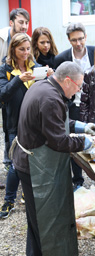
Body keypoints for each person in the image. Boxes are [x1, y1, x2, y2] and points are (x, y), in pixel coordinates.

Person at [12, 61, 95, 256]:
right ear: (68, 81)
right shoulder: (51, 98)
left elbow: (53, 122)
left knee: (36, 214)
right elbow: (59, 142)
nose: (79, 91)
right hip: (35, 165)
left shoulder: (43, 86)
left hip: (26, 160)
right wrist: (85, 142)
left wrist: (80, 126)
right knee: (52, 215)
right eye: (79, 86)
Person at [0, 33, 40, 219]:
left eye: (27, 48)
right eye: (21, 49)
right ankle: (8, 200)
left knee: (34, 160)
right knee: (16, 163)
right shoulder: (5, 70)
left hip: (34, 123)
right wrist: (18, 80)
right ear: (13, 50)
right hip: (15, 124)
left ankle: (28, 193)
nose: (25, 53)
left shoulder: (36, 67)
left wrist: (49, 76)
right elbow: (3, 95)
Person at [54, 23, 95, 190]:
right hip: (73, 106)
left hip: (92, 105)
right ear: (68, 40)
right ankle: (78, 180)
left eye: (81, 39)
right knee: (73, 140)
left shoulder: (94, 52)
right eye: (74, 40)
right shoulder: (61, 58)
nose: (78, 43)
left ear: (86, 36)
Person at [0, 8, 30, 171]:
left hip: (16, 84)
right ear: (11, 22)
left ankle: (10, 159)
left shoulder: (27, 41)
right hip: (4, 79)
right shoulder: (2, 39)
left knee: (11, 117)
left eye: (26, 23)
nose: (24, 26)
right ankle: (9, 158)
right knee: (7, 122)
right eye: (21, 22)